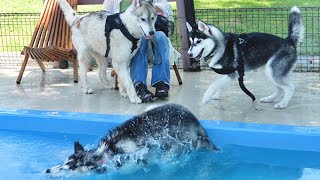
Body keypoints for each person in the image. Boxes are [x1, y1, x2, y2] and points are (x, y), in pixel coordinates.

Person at [104, 0, 178, 103]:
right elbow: (106, 16)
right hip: (126, 35)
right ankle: (139, 85)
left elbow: (167, 6)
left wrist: (150, 8)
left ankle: (161, 83)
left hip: (153, 28)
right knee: (140, 39)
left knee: (161, 37)